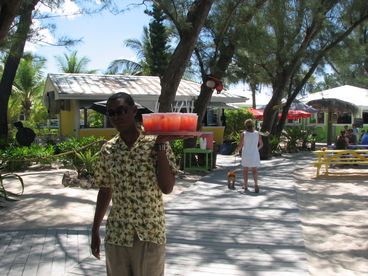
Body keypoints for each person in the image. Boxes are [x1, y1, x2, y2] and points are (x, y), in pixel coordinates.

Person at [91, 92, 180, 276]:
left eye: (121, 110)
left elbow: (167, 188)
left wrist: (161, 146)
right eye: (111, 113)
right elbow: (105, 190)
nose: (117, 116)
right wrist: (94, 230)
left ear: (134, 110)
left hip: (150, 232)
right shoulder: (108, 149)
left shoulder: (155, 142)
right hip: (117, 234)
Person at [236, 119, 263, 193]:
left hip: (246, 154)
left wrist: (236, 151)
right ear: (253, 125)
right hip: (255, 153)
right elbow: (261, 144)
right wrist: (256, 149)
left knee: (245, 170)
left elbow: (241, 145)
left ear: (246, 126)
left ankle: (245, 185)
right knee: (254, 170)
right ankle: (256, 184)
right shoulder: (258, 133)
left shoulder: (244, 134)